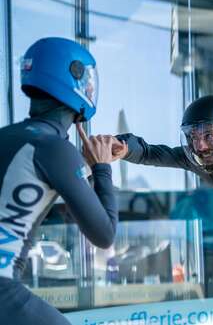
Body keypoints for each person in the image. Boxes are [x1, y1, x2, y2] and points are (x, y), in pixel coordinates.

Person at [0, 37, 124, 325]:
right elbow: (104, 234)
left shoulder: (8, 136)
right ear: (75, 76)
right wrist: (102, 167)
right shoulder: (53, 148)